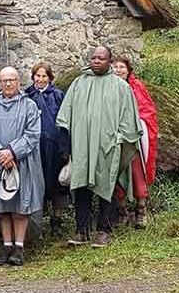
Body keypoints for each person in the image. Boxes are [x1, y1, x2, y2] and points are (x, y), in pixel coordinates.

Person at [56, 46, 142, 248]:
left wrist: (120, 138)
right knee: (81, 188)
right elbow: (65, 116)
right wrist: (66, 145)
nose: (96, 61)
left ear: (109, 61)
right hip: (83, 146)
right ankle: (81, 231)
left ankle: (104, 230)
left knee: (107, 188)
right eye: (93, 57)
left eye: (101, 58)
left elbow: (130, 119)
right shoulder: (79, 84)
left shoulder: (120, 87)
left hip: (108, 147)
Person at [0, 67, 44, 266]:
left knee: (20, 207)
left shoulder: (29, 106)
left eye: (12, 80)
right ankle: (6, 245)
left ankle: (19, 247)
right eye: (4, 80)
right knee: (3, 208)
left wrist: (12, 152)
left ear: (19, 82)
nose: (8, 84)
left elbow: (32, 134)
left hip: (22, 163)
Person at [112, 55, 159, 229]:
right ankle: (122, 211)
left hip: (135, 139)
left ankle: (141, 210)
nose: (118, 70)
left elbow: (147, 111)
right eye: (115, 67)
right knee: (117, 173)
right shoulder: (109, 88)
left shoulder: (136, 87)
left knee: (137, 172)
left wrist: (136, 126)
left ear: (128, 69)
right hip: (116, 139)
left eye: (121, 67)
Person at [24, 61, 70, 236]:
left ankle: (56, 221)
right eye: (38, 76)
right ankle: (37, 224)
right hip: (35, 148)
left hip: (55, 147)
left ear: (50, 78)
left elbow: (65, 121)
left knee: (57, 185)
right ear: (33, 77)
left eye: (44, 76)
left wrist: (65, 147)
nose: (40, 79)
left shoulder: (58, 95)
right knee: (38, 183)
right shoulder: (27, 96)